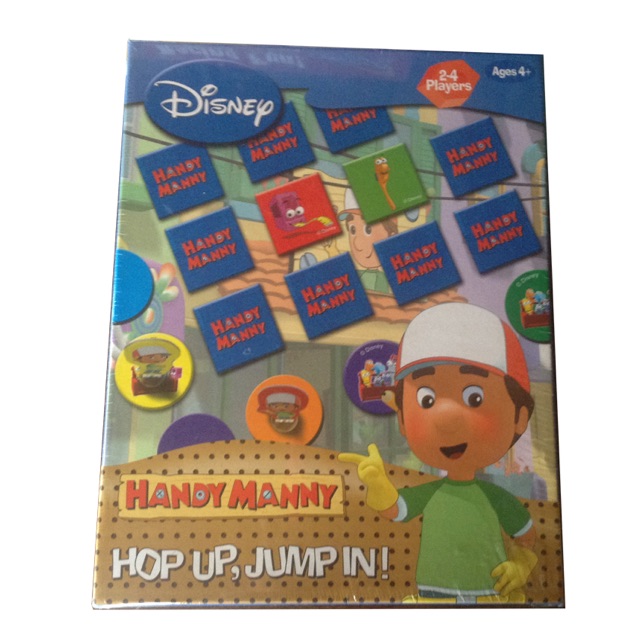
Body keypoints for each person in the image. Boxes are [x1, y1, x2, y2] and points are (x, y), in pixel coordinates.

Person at [339, 302, 538, 604]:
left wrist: (522, 564)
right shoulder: (431, 493)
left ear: (519, 417)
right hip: (434, 599)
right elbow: (395, 509)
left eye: (474, 397)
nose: (446, 418)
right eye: (427, 399)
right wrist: (378, 483)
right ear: (402, 419)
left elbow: (526, 537)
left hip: (490, 598)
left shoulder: (496, 498)